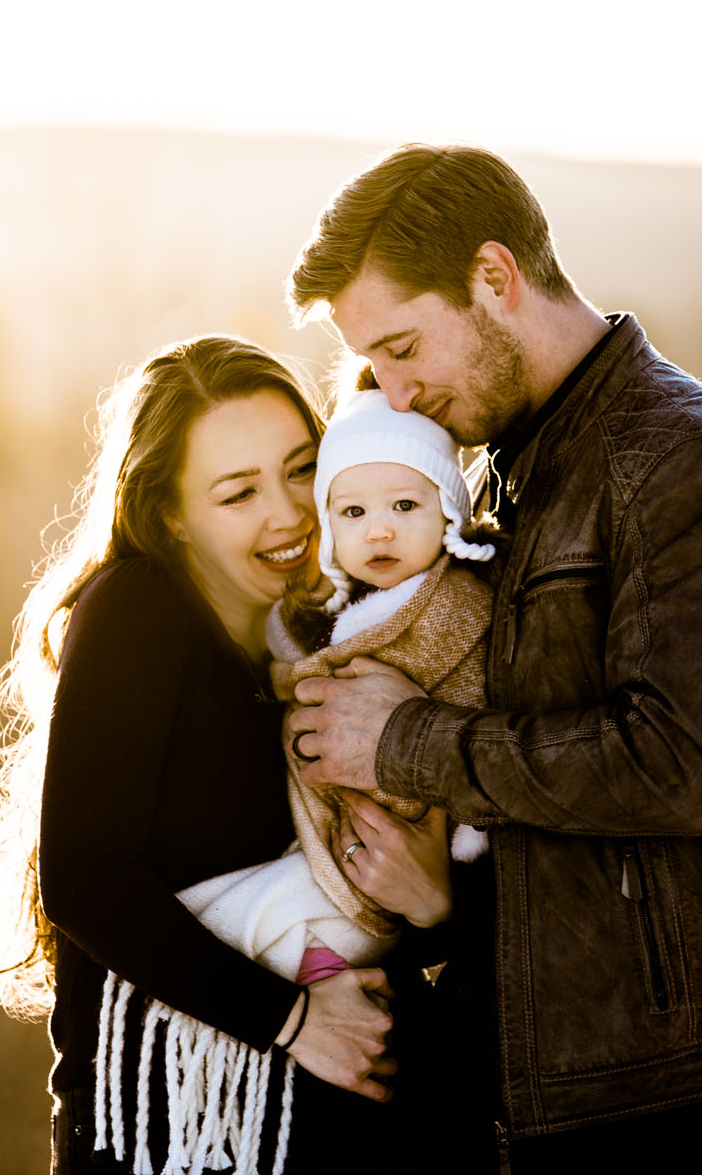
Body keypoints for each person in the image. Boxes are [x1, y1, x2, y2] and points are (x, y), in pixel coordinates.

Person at [284, 144, 702, 1175]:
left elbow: (670, 766)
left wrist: (399, 739)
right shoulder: (512, 465)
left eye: (401, 349)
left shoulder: (684, 457)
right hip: (560, 1071)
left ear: (494, 277)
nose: (393, 398)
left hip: (674, 1085)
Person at [0, 335, 421, 1175]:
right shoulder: (139, 610)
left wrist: (426, 901)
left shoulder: (321, 635)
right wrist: (298, 1021)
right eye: (237, 493)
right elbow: (86, 879)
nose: (287, 514)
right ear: (172, 516)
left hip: (315, 1173)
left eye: (301, 472)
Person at [172, 381, 501, 996]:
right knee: (237, 908)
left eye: (405, 507)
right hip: (354, 842)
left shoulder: (458, 608)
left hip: (399, 833)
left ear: (449, 516)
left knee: (282, 914)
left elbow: (480, 709)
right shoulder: (307, 612)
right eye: (353, 513)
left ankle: (310, 974)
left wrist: (462, 840)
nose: (379, 532)